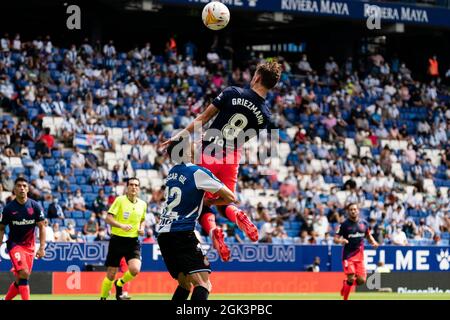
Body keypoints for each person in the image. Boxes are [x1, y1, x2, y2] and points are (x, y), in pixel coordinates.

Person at [161, 60, 282, 261]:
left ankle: (214, 230)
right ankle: (237, 216)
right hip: (232, 157)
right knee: (224, 199)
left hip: (210, 149)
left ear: (257, 77)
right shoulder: (266, 115)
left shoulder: (233, 92)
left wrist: (179, 137)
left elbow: (203, 118)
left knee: (199, 202)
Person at [157, 137, 236, 301]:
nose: (196, 146)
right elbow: (230, 197)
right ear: (185, 151)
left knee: (185, 284)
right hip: (182, 232)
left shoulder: (172, 173)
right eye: (192, 145)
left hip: (164, 234)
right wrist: (213, 201)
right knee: (204, 284)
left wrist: (203, 200)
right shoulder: (198, 172)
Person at [99, 177, 146, 300]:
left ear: (139, 188)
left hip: (133, 241)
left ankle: (119, 284)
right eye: (131, 184)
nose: (134, 187)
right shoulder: (119, 200)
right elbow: (108, 218)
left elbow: (142, 220)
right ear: (127, 187)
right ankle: (103, 297)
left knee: (135, 269)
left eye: (136, 185)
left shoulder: (143, 204)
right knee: (111, 274)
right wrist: (121, 225)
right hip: (117, 240)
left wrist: (142, 229)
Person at [0, 177, 46, 300]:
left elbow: (42, 227)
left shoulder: (35, 206)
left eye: (24, 186)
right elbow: (1, 228)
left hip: (30, 246)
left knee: (21, 278)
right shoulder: (9, 209)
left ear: (28, 189)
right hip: (15, 245)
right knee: (24, 273)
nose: (22, 188)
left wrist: (42, 247)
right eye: (19, 186)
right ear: (14, 189)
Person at [334, 203, 379, 300]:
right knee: (351, 278)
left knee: (362, 280)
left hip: (360, 256)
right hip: (348, 256)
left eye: (355, 209)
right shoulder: (344, 225)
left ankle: (346, 284)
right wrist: (341, 240)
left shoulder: (364, 223)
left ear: (358, 211)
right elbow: (335, 239)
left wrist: (373, 242)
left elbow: (368, 235)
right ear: (348, 211)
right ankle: (345, 298)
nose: (353, 211)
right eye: (351, 209)